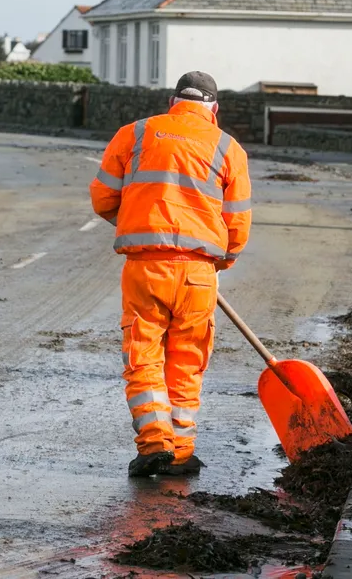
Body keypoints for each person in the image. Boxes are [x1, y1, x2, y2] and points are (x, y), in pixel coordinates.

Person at [89, 71, 252, 478]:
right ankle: (180, 451)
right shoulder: (229, 149)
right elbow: (238, 223)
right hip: (199, 273)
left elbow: (102, 198)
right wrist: (221, 261)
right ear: (214, 109)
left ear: (172, 100)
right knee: (187, 361)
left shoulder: (136, 133)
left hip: (146, 267)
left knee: (143, 355)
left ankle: (154, 442)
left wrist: (134, 221)